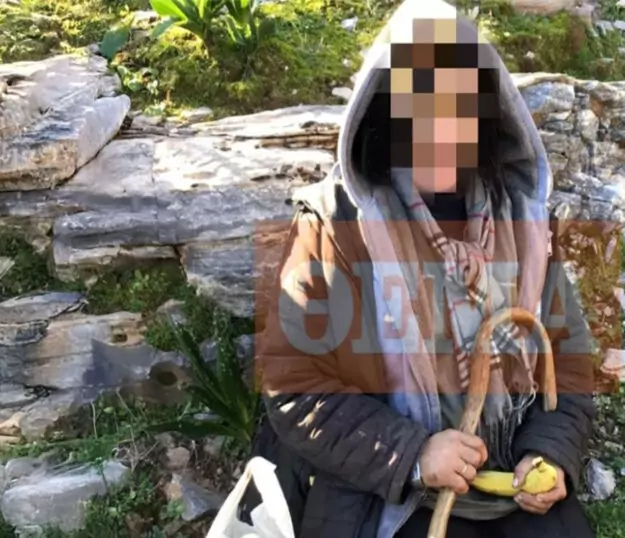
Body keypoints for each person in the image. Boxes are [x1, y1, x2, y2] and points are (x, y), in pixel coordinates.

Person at [250, 0, 599, 536]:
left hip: (507, 473)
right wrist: (413, 454)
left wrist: (548, 450)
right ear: (385, 113)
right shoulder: (336, 226)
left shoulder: (519, 219)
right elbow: (293, 386)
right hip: (386, 490)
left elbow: (569, 359)